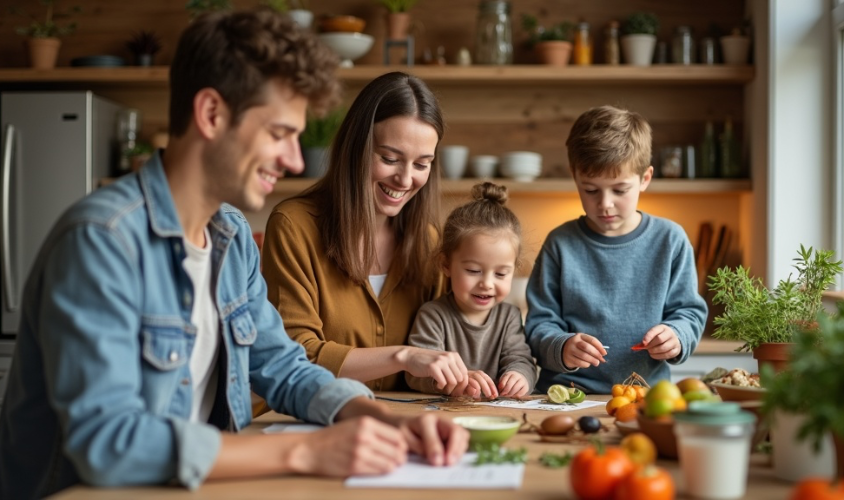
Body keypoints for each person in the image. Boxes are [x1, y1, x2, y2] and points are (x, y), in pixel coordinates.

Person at [0, 10, 466, 500]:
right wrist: (304, 451)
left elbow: (283, 366)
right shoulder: (102, 240)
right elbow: (108, 443)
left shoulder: (231, 237)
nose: (293, 160)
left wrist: (379, 419)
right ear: (211, 114)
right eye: (279, 134)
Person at [261, 72, 469, 395]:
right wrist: (404, 357)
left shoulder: (429, 242)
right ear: (356, 148)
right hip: (314, 419)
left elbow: (447, 345)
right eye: (390, 158)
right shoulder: (294, 226)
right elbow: (295, 355)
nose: (405, 180)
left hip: (406, 421)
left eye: (421, 164)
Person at [525, 105, 708, 395]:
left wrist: (677, 336)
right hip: (566, 395)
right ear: (575, 177)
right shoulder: (560, 243)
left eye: (620, 190)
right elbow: (539, 324)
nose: (605, 204)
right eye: (591, 190)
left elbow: (688, 312)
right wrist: (562, 346)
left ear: (645, 179)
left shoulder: (670, 240)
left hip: (644, 396)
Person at [405, 183, 537, 398]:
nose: (487, 283)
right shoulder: (433, 315)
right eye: (474, 271)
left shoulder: (509, 316)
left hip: (497, 412)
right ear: (446, 264)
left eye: (501, 274)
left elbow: (521, 360)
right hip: (445, 412)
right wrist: (457, 381)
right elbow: (416, 374)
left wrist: (519, 376)